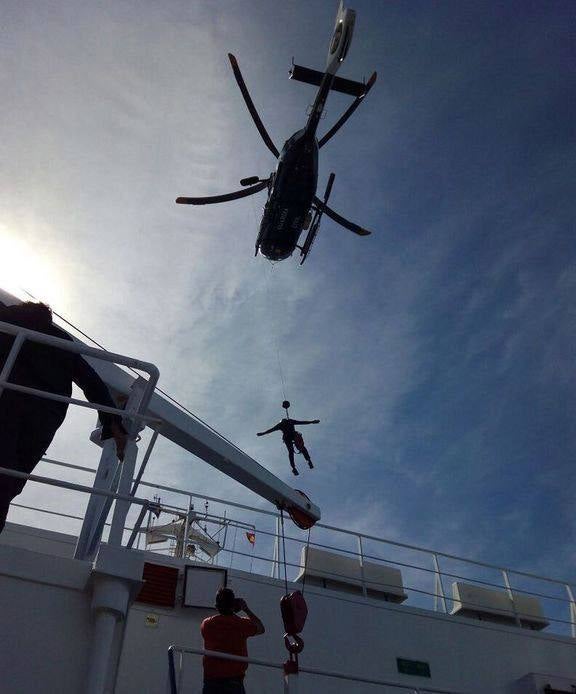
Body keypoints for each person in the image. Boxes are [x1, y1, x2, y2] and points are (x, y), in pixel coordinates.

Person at [0, 301, 127, 534]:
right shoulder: (61, 341)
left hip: (7, 403)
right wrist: (113, 422)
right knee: (11, 480)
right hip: (43, 417)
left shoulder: (7, 317)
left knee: (5, 476)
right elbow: (91, 381)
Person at [200, 587, 265, 693]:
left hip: (210, 682)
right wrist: (245, 609)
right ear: (233, 605)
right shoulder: (241, 624)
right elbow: (261, 628)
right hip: (234, 682)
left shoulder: (206, 624)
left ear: (216, 606)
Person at [257, 406, 319, 476]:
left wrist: (263, 433)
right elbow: (302, 422)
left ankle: (297, 466)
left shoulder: (284, 423)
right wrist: (312, 422)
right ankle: (305, 462)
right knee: (299, 449)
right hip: (290, 437)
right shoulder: (288, 422)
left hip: (289, 437)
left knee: (292, 451)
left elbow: (271, 430)